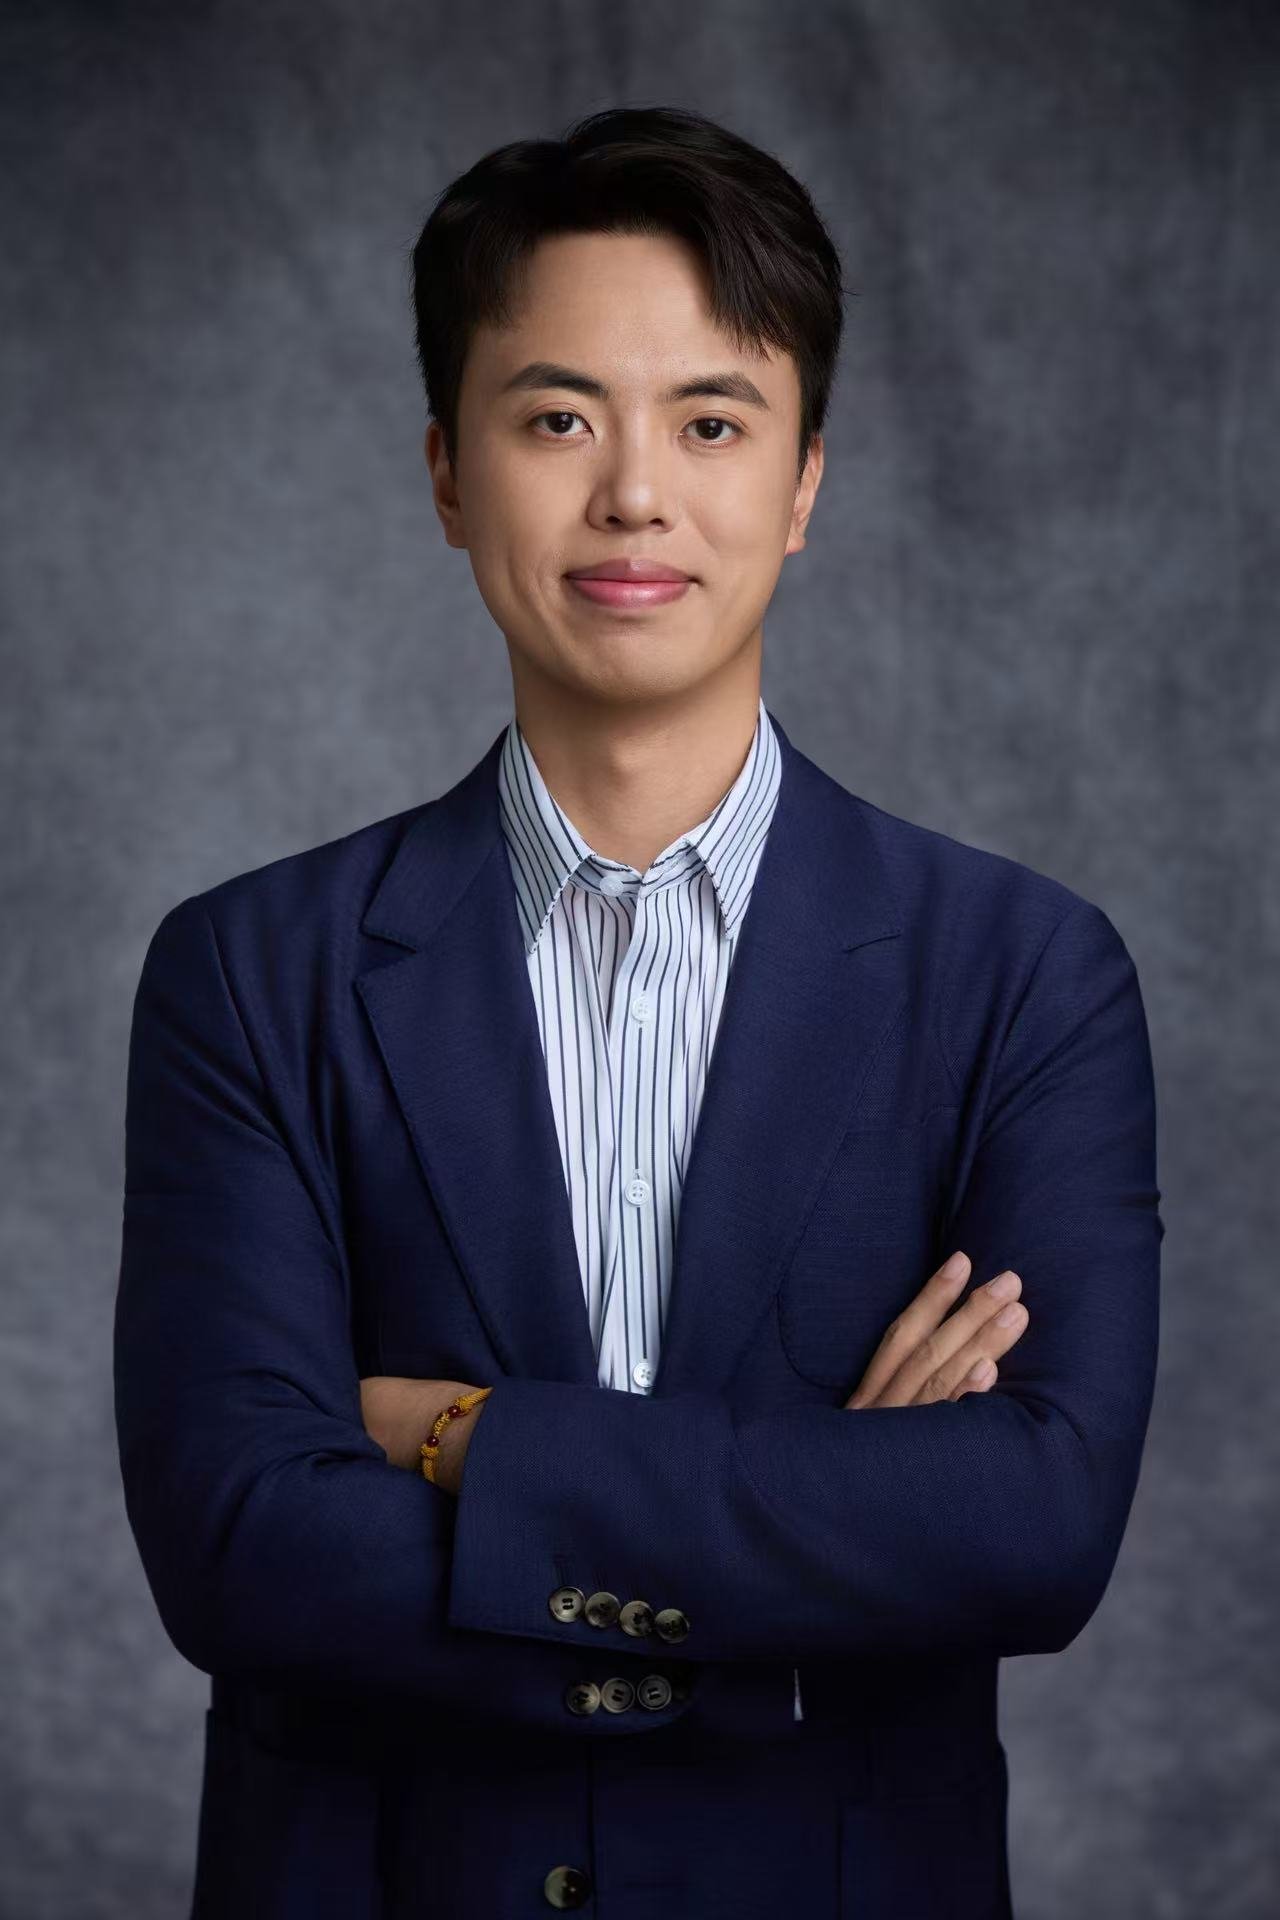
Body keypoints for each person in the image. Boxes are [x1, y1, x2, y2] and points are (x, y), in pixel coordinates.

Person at [114, 105, 1164, 1919]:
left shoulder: (1023, 972)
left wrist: (454, 1440)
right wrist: (831, 1522)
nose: (632, 495)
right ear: (448, 473)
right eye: (556, 418)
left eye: (710, 420)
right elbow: (244, 1550)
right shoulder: (248, 972)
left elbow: (1039, 1529)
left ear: (807, 480)